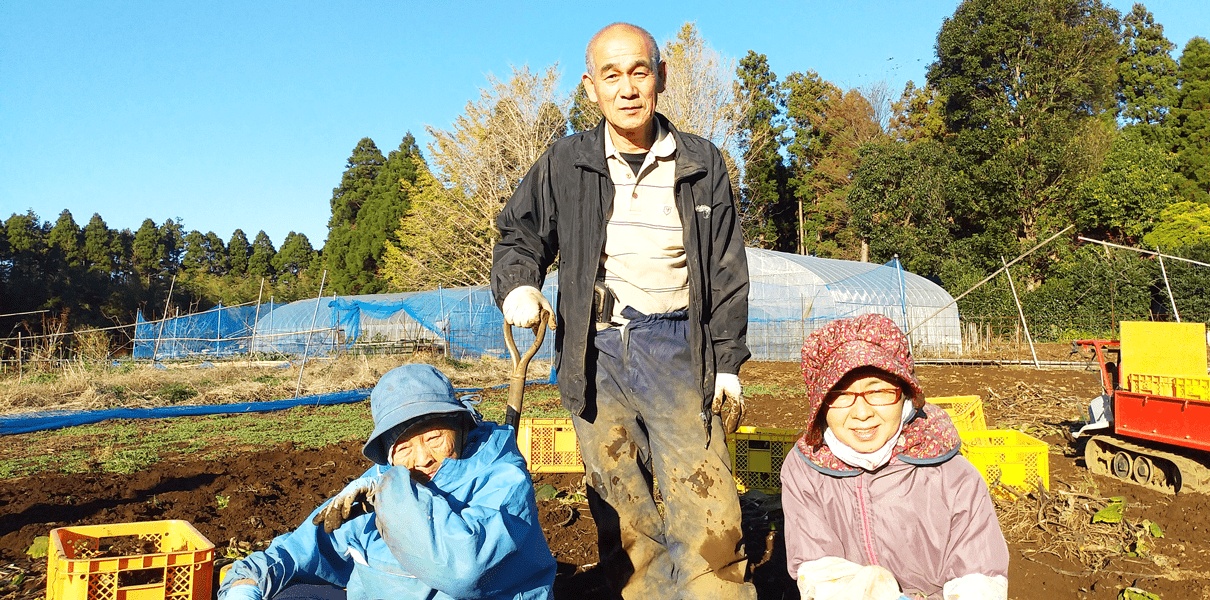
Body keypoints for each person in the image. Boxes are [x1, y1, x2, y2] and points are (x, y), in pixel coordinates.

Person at [490, 22, 755, 600]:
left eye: (640, 72)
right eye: (612, 75)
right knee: (624, 510)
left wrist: (729, 362)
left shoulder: (702, 162)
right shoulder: (567, 161)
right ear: (592, 87)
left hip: (680, 348)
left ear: (661, 77)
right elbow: (519, 236)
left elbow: (728, 271)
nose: (628, 87)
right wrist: (518, 286)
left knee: (708, 508)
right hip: (595, 350)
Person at [217, 364, 556, 600]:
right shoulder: (379, 483)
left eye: (434, 438)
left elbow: (463, 571)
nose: (422, 458)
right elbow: (305, 546)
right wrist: (248, 581)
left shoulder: (500, 476)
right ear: (388, 455)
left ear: (461, 426)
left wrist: (394, 496)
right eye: (404, 447)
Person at [779, 314, 1009, 600]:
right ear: (821, 402)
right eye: (840, 394)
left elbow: (979, 577)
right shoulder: (806, 470)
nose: (862, 414)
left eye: (878, 392)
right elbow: (819, 570)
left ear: (905, 395)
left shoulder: (953, 475)